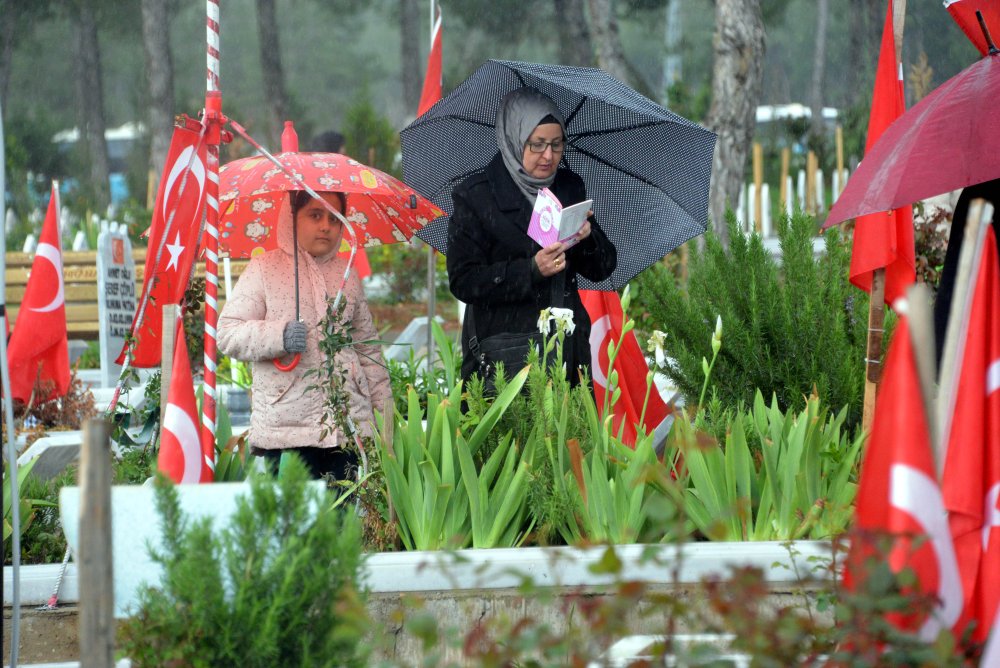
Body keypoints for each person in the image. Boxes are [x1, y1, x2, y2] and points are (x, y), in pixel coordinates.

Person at [446, 87, 617, 387]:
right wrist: (530, 270)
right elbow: (464, 280)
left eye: (556, 144)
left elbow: (602, 268)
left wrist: (587, 238)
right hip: (505, 355)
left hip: (567, 353)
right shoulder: (477, 196)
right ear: (514, 139)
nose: (548, 156)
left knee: (571, 433)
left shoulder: (567, 187)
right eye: (537, 145)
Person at [218, 189, 391, 480]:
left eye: (335, 219)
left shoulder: (347, 274)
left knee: (345, 523)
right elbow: (228, 333)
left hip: (347, 425)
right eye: (315, 215)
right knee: (296, 521)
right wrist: (280, 336)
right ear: (291, 219)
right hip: (287, 427)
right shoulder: (264, 268)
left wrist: (384, 417)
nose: (326, 225)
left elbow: (367, 350)